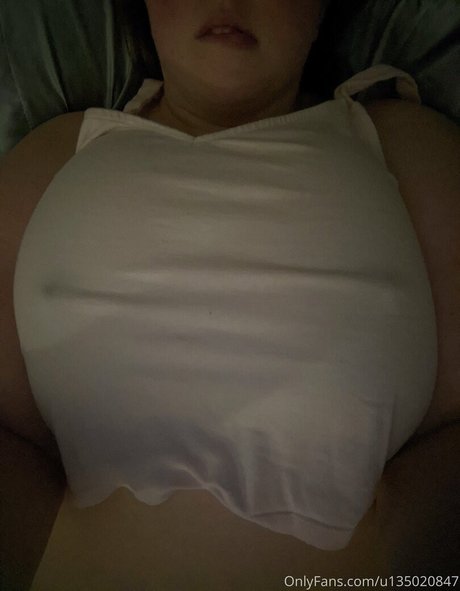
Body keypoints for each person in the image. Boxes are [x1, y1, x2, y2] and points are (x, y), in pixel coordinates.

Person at [1, 1, 459, 589]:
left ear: (321, 13)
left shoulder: (403, 143)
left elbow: (451, 424)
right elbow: (11, 431)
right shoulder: (54, 154)